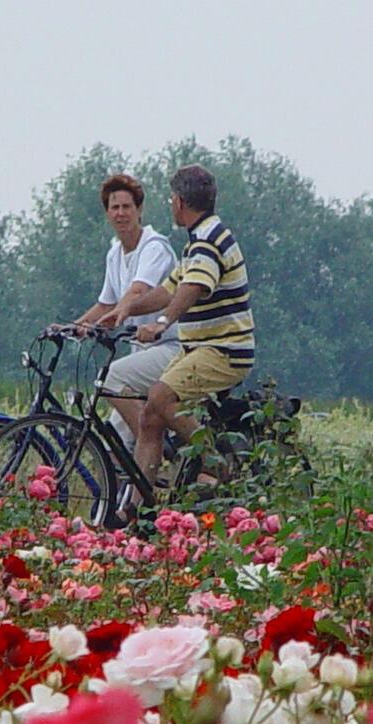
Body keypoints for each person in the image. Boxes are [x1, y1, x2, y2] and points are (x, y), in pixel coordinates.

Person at [105, 164, 254, 517]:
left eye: (172, 198)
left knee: (158, 397)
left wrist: (162, 322)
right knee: (150, 419)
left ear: (181, 201)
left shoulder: (208, 241)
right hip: (200, 349)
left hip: (223, 351)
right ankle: (137, 514)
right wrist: (125, 311)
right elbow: (167, 289)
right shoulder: (197, 242)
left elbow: (193, 286)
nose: (170, 204)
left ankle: (217, 463)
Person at [72, 174, 179, 452]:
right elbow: (107, 303)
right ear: (107, 213)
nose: (120, 213)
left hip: (171, 346)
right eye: (114, 207)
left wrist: (115, 317)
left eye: (126, 207)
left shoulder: (155, 247)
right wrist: (74, 326)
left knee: (110, 378)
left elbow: (137, 292)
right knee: (114, 447)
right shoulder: (115, 253)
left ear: (139, 210)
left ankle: (155, 443)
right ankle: (131, 491)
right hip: (141, 353)